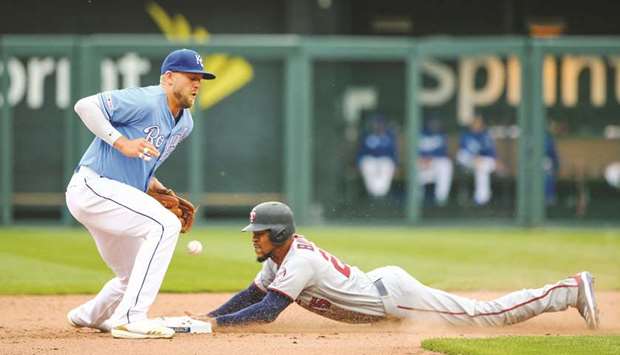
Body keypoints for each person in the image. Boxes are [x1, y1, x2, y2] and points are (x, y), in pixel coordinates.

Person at [192, 201, 600, 330]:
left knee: (483, 317)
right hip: (382, 286)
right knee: (478, 315)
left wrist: (214, 326)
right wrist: (204, 319)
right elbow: (251, 295)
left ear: (278, 235)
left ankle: (566, 290)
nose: (253, 237)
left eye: (259, 232)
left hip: (395, 298)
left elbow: (265, 312)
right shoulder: (279, 259)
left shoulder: (298, 262)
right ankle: (565, 291)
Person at [65, 49, 216, 339]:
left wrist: (153, 184)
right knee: (164, 225)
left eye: (200, 79)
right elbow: (84, 106)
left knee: (132, 273)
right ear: (169, 78)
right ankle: (130, 317)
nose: (197, 84)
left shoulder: (185, 124)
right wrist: (121, 142)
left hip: (113, 193)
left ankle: (87, 315)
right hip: (93, 185)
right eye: (191, 77)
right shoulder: (148, 99)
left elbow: (142, 161)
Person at [456, 115, 497, 205]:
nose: (476, 124)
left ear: (482, 124)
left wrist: (479, 158)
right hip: (470, 162)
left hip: (486, 161)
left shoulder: (486, 135)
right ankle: (482, 199)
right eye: (474, 122)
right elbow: (462, 152)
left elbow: (491, 154)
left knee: (481, 167)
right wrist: (474, 158)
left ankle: (482, 199)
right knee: (461, 155)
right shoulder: (466, 135)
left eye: (478, 122)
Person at [356, 114, 399, 198]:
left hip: (385, 161)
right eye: (376, 124)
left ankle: (381, 195)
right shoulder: (367, 136)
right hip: (370, 161)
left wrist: (396, 164)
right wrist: (358, 163)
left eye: (380, 124)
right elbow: (361, 153)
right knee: (368, 165)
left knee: (386, 166)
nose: (378, 126)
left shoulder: (389, 136)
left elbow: (393, 153)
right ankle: (373, 194)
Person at [418, 116, 453, 206]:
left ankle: (441, 200)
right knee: (416, 165)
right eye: (432, 124)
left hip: (435, 164)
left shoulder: (442, 135)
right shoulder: (420, 134)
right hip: (422, 164)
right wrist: (423, 159)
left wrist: (430, 158)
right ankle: (417, 200)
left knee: (446, 164)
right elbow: (414, 152)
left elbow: (444, 153)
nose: (434, 126)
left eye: (436, 124)